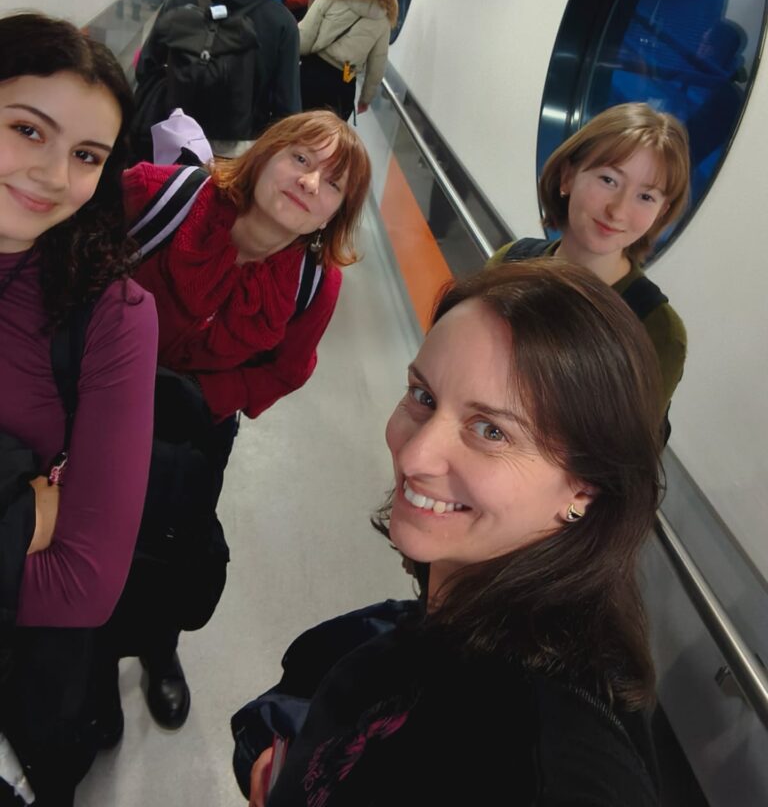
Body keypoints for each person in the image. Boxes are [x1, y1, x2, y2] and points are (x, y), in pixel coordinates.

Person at [232, 260, 664, 807]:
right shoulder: (468, 613)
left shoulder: (548, 761)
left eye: (491, 431)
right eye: (424, 396)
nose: (414, 455)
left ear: (585, 488)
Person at [93, 110, 372, 736]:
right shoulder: (158, 198)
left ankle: (159, 648)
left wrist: (206, 395)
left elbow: (288, 370)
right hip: (97, 406)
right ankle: (96, 662)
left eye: (332, 184)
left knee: (168, 546)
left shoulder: (314, 283)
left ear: (334, 215)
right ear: (265, 155)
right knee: (91, 534)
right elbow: (68, 269)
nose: (309, 183)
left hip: (197, 428)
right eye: (300, 159)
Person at [0, 13, 157, 806]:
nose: (55, 176)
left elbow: (83, 583)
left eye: (87, 155)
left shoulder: (112, 316)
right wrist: (19, 521)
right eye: (28, 130)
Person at [491, 103, 690, 415]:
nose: (618, 211)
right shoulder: (509, 263)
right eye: (608, 180)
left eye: (646, 196)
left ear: (661, 212)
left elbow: (624, 444)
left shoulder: (656, 330)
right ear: (568, 177)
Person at [133, 0, 301, 159]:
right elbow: (288, 105)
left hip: (175, 135)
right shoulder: (282, 21)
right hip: (240, 147)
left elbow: (146, 66)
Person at [299, 0, 397, 121]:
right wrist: (365, 98)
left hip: (312, 74)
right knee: (329, 136)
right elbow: (377, 63)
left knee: (297, 126)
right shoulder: (383, 15)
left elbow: (306, 35)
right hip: (343, 86)